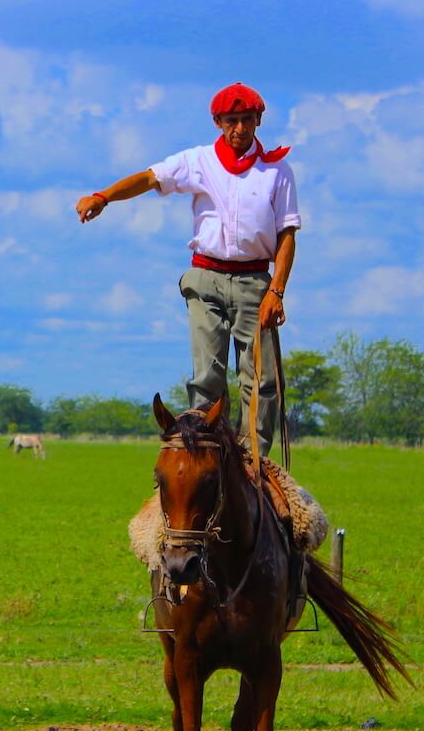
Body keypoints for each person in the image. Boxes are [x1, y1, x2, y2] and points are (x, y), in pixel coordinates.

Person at [76, 82, 299, 457]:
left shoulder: (276, 170)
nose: (239, 129)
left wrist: (276, 291)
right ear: (217, 122)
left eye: (247, 120)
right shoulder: (198, 161)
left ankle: (251, 462)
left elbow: (287, 233)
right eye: (231, 121)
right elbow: (150, 178)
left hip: (255, 280)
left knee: (260, 379)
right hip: (205, 278)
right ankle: (206, 455)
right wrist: (103, 197)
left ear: (259, 120)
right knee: (207, 378)